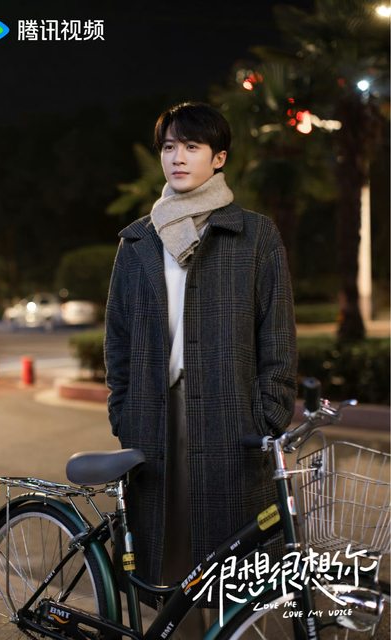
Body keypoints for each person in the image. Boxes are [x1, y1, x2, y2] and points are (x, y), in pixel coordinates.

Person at [105, 102, 297, 637]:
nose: (178, 157)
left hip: (231, 415)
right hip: (155, 417)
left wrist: (270, 411)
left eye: (192, 146)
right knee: (165, 554)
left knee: (233, 555)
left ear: (219, 158)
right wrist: (123, 410)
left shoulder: (254, 235)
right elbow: (117, 337)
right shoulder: (138, 240)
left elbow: (277, 331)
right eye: (169, 146)